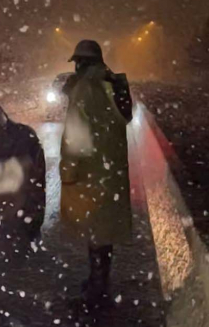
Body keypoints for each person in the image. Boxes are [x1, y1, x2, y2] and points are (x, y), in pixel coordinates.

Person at [58, 40, 133, 309]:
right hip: (110, 172)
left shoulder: (85, 89)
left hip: (90, 173)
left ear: (82, 62)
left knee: (95, 233)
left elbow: (75, 136)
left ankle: (96, 291)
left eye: (77, 62)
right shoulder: (113, 83)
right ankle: (100, 281)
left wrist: (68, 170)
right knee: (104, 233)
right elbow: (120, 118)